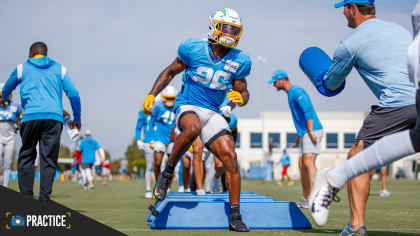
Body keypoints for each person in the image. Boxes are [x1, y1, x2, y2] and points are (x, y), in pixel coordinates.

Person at [304, 1, 417, 235]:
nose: (343, 13)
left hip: (395, 105)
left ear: (352, 8)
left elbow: (331, 84)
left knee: (357, 157)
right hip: (417, 98)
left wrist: (321, 75)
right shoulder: (400, 30)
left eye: (344, 8)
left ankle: (356, 227)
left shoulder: (350, 43)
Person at [141, 8, 251, 232]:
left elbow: (244, 92)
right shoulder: (193, 48)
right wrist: (152, 93)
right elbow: (170, 72)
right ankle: (167, 172)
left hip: (214, 112)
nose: (230, 33)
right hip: (189, 104)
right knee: (192, 128)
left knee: (230, 157)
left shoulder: (240, 60)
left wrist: (241, 99)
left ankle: (235, 215)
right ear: (214, 27)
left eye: (234, 29)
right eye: (226, 28)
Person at [2, 41, 81, 202]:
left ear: (31, 54)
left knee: (27, 156)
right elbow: (74, 94)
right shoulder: (61, 69)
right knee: (48, 159)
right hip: (53, 118)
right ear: (45, 53)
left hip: (30, 117)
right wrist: (77, 118)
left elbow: (6, 90)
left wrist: (4, 99)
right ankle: (44, 200)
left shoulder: (22, 68)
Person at [268, 69, 323, 208]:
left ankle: (319, 197)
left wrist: (309, 130)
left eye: (274, 82)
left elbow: (308, 109)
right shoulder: (290, 93)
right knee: (301, 164)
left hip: (313, 130)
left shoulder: (296, 91)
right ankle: (306, 198)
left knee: (308, 163)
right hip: (305, 132)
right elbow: (300, 116)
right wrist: (300, 134)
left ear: (281, 80)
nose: (274, 85)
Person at [149, 86, 177, 181]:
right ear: (163, 97)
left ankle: (167, 187)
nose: (170, 101)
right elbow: (151, 123)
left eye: (171, 98)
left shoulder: (177, 106)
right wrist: (151, 138)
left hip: (172, 139)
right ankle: (158, 184)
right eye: (168, 98)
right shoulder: (158, 106)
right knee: (157, 163)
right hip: (159, 138)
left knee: (171, 165)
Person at [0, 83, 22, 187]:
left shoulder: (16, 106)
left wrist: (19, 125)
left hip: (10, 138)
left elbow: (20, 119)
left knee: (7, 164)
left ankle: (5, 186)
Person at [136, 98, 156, 198]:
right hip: (149, 142)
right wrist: (138, 139)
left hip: (161, 141)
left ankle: (159, 189)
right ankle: (148, 189)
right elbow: (138, 127)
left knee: (161, 166)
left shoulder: (162, 108)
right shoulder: (143, 111)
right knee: (149, 166)